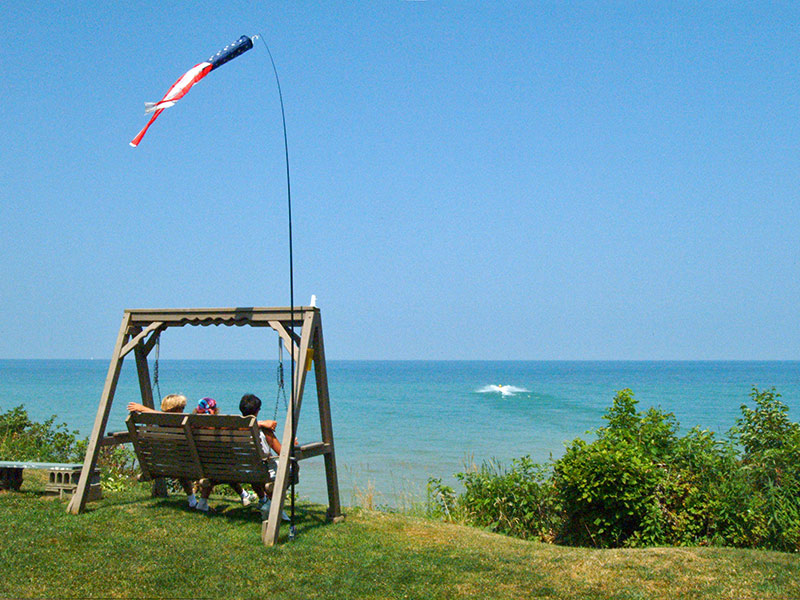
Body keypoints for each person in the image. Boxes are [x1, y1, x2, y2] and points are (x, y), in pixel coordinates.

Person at [126, 395, 258, 511]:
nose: (184, 410)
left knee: (210, 462)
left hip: (181, 465)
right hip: (211, 466)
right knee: (221, 461)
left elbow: (162, 417)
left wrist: (144, 410)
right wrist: (261, 423)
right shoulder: (190, 423)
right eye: (182, 408)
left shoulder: (173, 425)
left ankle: (193, 500)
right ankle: (243, 495)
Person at [239, 393, 292, 521]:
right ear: (257, 411)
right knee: (293, 468)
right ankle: (274, 505)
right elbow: (283, 453)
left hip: (244, 470)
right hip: (264, 472)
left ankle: (264, 500)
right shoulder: (265, 432)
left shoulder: (235, 429)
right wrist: (292, 444)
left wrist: (260, 423)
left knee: (255, 467)